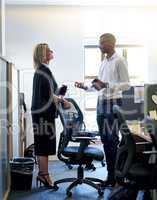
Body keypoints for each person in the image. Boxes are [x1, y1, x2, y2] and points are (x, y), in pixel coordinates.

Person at [75, 33, 130, 187]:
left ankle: (115, 177)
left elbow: (127, 84)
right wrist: (86, 87)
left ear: (110, 43)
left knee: (112, 141)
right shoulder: (103, 62)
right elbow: (99, 86)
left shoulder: (119, 60)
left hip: (113, 103)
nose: (99, 45)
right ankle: (111, 176)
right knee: (106, 141)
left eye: (101, 43)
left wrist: (107, 85)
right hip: (101, 103)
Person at [31, 43, 70, 188]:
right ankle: (44, 175)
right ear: (43, 54)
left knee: (43, 144)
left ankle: (43, 174)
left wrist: (60, 94)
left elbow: (49, 92)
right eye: (49, 50)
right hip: (43, 114)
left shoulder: (41, 70)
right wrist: (63, 100)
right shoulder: (44, 70)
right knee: (44, 145)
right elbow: (49, 95)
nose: (52, 52)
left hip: (40, 112)